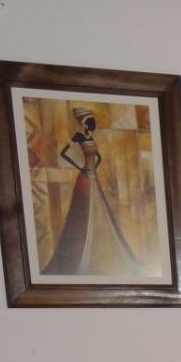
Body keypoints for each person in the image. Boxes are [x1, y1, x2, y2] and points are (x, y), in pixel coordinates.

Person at [43, 106, 143, 276]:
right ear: (84, 122)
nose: (93, 124)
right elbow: (64, 153)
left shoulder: (90, 137)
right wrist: (80, 167)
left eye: (92, 121)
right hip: (85, 177)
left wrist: (93, 167)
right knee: (83, 212)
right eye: (90, 121)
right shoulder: (79, 136)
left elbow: (99, 157)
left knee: (100, 211)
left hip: (92, 176)